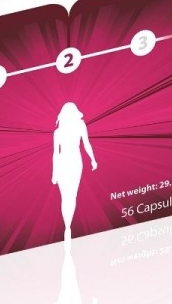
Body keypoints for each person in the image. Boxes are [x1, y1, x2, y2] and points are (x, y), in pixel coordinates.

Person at [52, 102, 98, 243]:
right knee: (71, 195)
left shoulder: (59, 131)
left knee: (66, 196)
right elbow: (86, 144)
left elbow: (56, 154)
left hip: (66, 163)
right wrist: (93, 160)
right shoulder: (79, 126)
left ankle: (67, 226)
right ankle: (68, 225)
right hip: (74, 162)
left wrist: (54, 173)